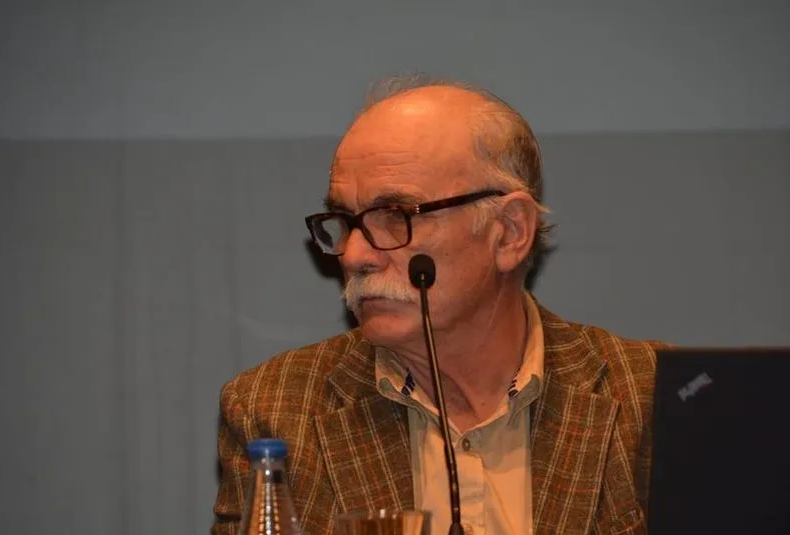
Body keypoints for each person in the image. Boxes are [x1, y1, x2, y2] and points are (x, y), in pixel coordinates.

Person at [212, 75, 669, 535]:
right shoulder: (274, 411)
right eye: (345, 221)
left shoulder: (654, 396)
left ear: (509, 232)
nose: (353, 255)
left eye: (396, 216)